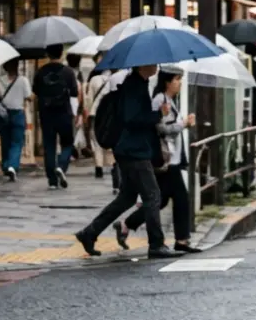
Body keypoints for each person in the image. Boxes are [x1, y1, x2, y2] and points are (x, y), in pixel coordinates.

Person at [74, 64, 181, 259]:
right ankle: (156, 244)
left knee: (127, 197)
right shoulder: (134, 86)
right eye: (152, 63)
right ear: (142, 65)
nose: (156, 66)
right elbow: (132, 119)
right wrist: (158, 114)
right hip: (133, 150)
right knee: (152, 195)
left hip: (130, 149)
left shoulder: (138, 84)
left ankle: (89, 233)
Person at [113, 69, 201, 254]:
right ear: (167, 82)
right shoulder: (159, 100)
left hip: (171, 158)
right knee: (180, 198)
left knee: (159, 200)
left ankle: (127, 224)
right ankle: (181, 240)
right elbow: (160, 128)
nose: (179, 83)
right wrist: (183, 124)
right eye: (177, 79)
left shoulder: (169, 100)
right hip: (165, 159)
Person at [34, 44, 80, 189]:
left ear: (48, 54)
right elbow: (74, 92)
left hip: (46, 114)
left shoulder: (40, 72)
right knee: (67, 143)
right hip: (64, 112)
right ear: (61, 54)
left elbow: (35, 91)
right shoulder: (68, 72)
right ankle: (61, 166)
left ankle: (52, 180)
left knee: (49, 146)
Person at [83, 62, 120, 192]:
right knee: (111, 139)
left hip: (95, 113)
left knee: (96, 139)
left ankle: (98, 166)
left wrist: (88, 112)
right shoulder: (117, 79)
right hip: (110, 115)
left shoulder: (94, 79)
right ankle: (113, 164)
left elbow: (89, 99)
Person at [0, 58, 30, 182]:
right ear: (17, 66)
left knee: (5, 141)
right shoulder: (23, 80)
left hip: (2, 114)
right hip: (18, 113)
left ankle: (5, 166)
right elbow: (28, 96)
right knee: (17, 142)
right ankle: (12, 166)